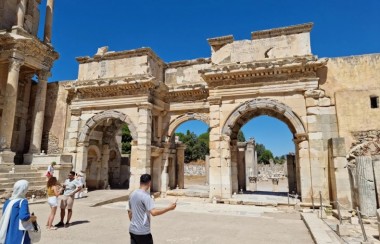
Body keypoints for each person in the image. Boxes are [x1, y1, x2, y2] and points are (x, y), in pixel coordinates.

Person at [128, 174, 176, 244]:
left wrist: (135, 224)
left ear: (140, 182)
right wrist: (169, 208)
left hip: (132, 230)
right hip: (143, 232)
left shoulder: (132, 194)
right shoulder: (146, 196)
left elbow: (129, 212)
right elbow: (153, 212)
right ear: (149, 183)